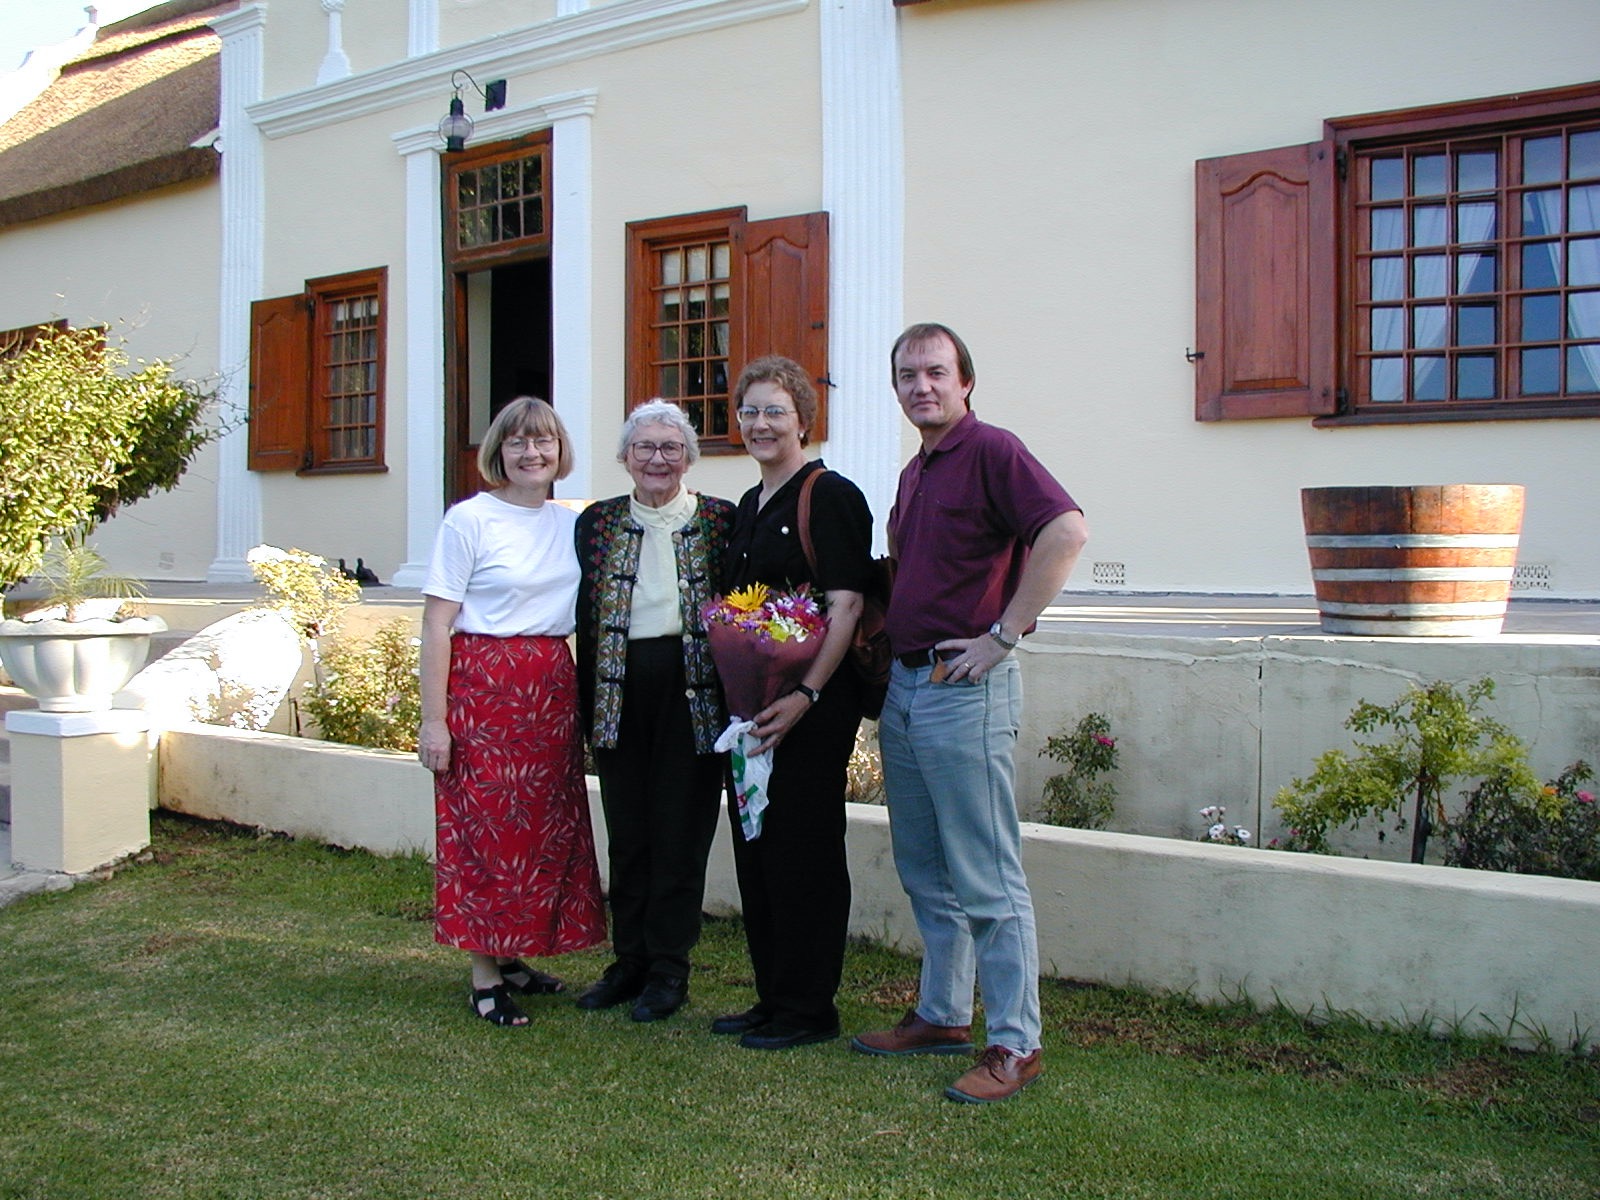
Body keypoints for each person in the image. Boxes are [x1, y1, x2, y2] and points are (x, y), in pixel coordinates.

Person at [850, 324, 1088, 1102]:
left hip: (966, 688)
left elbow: (1065, 529)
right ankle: (943, 1013)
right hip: (909, 691)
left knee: (988, 877)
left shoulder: (993, 451)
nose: (922, 386)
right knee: (926, 870)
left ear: (966, 382)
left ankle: (1016, 1043)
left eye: (937, 373)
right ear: (896, 390)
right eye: (908, 375)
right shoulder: (917, 471)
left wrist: (1004, 635)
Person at [418, 396, 607, 1028]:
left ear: (561, 451)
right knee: (485, 832)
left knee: (544, 831)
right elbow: (437, 625)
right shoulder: (468, 521)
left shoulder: (572, 523)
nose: (532, 452)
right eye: (519, 442)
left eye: (544, 441)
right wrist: (433, 718)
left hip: (550, 688)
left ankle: (516, 953)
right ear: (498, 451)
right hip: (482, 690)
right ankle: (484, 973)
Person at [711, 355, 873, 1050]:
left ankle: (810, 1009)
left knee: (804, 850)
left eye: (775, 410)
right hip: (755, 711)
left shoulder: (829, 494)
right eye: (749, 411)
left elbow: (846, 604)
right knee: (759, 850)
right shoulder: (750, 504)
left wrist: (806, 694)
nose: (760, 424)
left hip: (809, 710)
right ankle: (773, 995)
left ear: (804, 420)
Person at [573, 399, 736, 1022]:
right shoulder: (597, 523)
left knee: (680, 834)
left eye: (671, 447)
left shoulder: (720, 521)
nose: (658, 459)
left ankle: (670, 969)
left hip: (693, 696)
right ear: (624, 458)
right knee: (630, 831)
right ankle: (629, 961)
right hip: (617, 692)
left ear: (690, 457)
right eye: (645, 447)